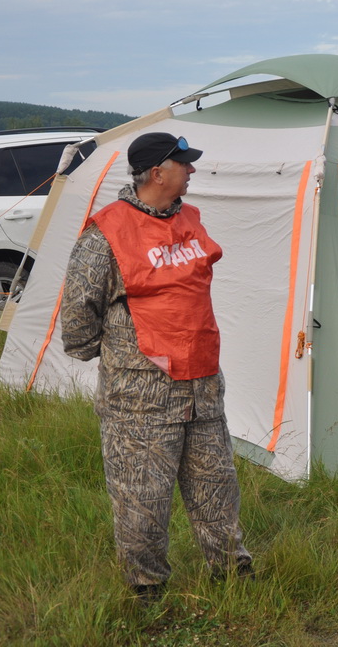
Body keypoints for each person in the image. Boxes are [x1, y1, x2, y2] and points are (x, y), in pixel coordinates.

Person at [61, 132, 253, 601]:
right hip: (140, 399)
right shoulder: (106, 232)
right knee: (141, 499)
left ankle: (232, 575)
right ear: (156, 173)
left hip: (203, 386)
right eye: (182, 164)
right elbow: (77, 318)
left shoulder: (190, 218)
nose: (191, 171)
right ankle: (147, 589)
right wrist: (121, 356)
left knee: (217, 489)